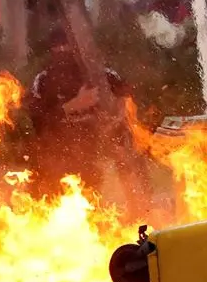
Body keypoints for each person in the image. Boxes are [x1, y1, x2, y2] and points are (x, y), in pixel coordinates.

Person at [26, 30, 147, 201]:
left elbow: (126, 93)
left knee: (91, 206)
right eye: (58, 48)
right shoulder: (44, 80)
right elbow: (37, 118)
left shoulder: (96, 74)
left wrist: (117, 118)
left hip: (89, 155)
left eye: (66, 47)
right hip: (55, 157)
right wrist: (73, 105)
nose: (62, 52)